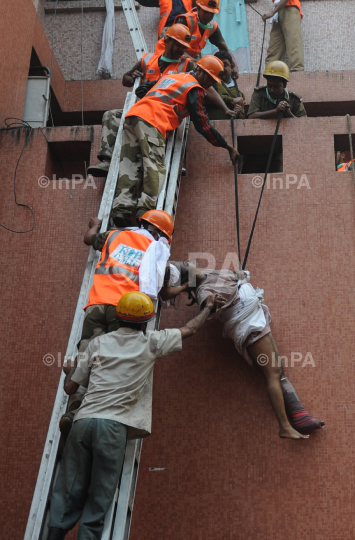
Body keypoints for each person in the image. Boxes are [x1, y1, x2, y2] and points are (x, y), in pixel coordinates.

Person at [47, 290, 225, 540]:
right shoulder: (150, 342)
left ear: (119, 318)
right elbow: (189, 330)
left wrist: (69, 371)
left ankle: (53, 534)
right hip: (113, 427)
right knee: (101, 493)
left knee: (68, 485)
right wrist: (208, 307)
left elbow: (70, 388)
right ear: (145, 321)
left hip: (83, 421)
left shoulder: (99, 342)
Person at [167, 260, 324, 439]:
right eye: (186, 265)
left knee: (278, 370)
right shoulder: (204, 292)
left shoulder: (209, 273)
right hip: (249, 327)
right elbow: (206, 310)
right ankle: (285, 426)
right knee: (272, 373)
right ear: (189, 278)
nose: (190, 262)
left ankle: (299, 415)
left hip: (256, 318)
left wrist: (239, 275)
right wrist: (211, 305)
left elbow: (233, 279)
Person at [59, 210, 180, 439]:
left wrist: (95, 224)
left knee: (86, 358)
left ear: (142, 222)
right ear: (158, 232)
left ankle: (73, 411)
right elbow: (163, 291)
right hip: (126, 310)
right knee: (112, 362)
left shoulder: (114, 235)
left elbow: (88, 239)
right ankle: (104, 412)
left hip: (95, 305)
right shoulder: (156, 251)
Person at [110, 55, 239, 228]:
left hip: (133, 117)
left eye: (213, 80)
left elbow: (141, 91)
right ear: (200, 70)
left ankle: (122, 210)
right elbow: (203, 125)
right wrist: (227, 146)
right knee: (154, 168)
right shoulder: (195, 88)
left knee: (130, 166)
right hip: (153, 122)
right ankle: (144, 213)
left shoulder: (171, 77)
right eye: (209, 78)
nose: (210, 84)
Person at [87, 24, 194, 178]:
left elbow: (201, 82)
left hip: (165, 116)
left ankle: (174, 163)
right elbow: (126, 79)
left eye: (184, 46)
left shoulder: (187, 64)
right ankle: (107, 161)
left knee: (181, 128)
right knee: (111, 116)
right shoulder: (147, 59)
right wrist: (132, 77)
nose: (181, 49)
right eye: (179, 44)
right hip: (141, 111)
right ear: (167, 40)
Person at [246, 60, 306, 173]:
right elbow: (251, 116)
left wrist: (288, 114)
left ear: (284, 85)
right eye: (269, 86)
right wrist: (275, 111)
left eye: (276, 86)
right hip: (256, 150)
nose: (272, 89)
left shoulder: (295, 100)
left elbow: (304, 127)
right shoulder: (259, 94)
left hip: (280, 152)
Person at [174, 0, 236, 66]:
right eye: (205, 11)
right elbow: (175, 49)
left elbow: (225, 49)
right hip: (175, 56)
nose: (208, 16)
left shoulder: (212, 26)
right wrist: (198, 63)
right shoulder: (185, 21)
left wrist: (233, 65)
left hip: (193, 58)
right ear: (198, 8)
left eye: (211, 13)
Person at [262, 0, 304, 72]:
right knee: (274, 47)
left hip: (290, 7)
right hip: (278, 11)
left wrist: (272, 12)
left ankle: (297, 70)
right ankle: (271, 72)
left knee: (293, 41)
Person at [204, 50, 246, 120]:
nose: (222, 69)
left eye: (225, 65)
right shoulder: (209, 84)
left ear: (231, 66)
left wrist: (237, 112)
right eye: (218, 65)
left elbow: (243, 116)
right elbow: (207, 98)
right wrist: (231, 100)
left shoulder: (240, 94)